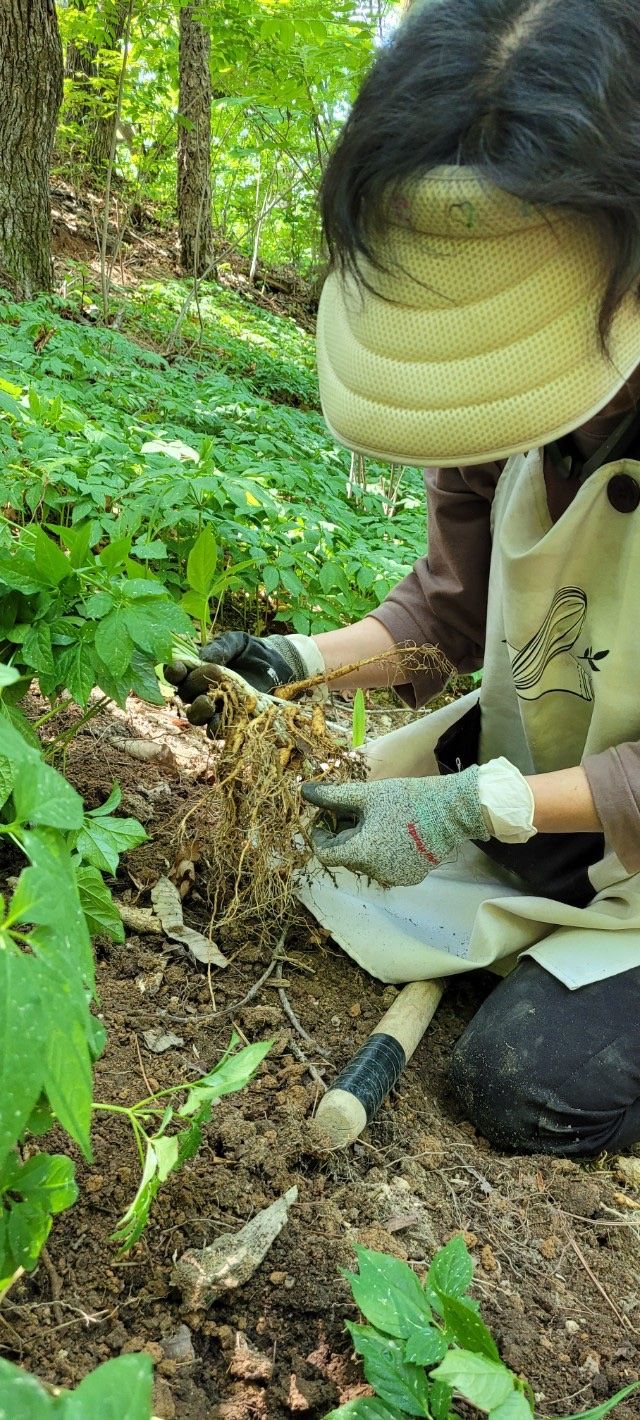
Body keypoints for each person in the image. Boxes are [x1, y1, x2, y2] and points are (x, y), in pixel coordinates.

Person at [168, 0, 640, 1159]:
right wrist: (293, 665)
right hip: (555, 779)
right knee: (301, 857)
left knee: (524, 1081)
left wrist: (485, 805)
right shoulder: (503, 404)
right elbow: (450, 610)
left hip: (590, 807)